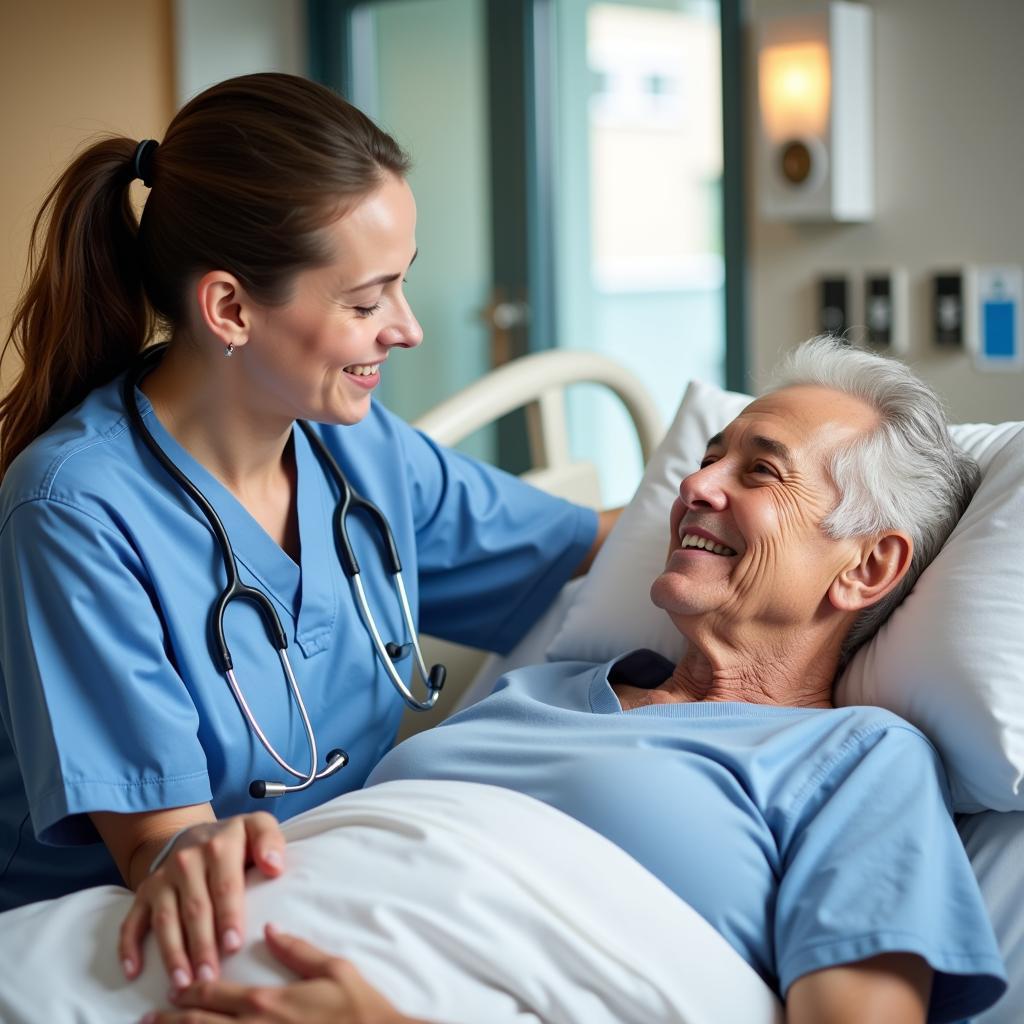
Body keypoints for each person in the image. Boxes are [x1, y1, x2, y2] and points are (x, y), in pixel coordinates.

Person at [150, 339, 1005, 1024]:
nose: (695, 486)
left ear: (867, 567)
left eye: (759, 472)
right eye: (707, 459)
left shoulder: (860, 762)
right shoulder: (536, 687)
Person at [0, 71, 618, 989]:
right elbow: (165, 852)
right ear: (230, 310)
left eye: (400, 285)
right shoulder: (74, 511)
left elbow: (586, 545)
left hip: (335, 881)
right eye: (366, 302)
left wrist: (774, 514)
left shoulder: (363, 457)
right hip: (105, 940)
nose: (405, 329)